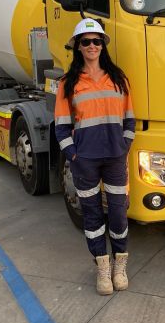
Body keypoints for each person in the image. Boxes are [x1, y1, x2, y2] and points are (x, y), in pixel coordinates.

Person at [54, 18, 135, 295]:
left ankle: (120, 266)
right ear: (77, 46)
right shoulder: (68, 83)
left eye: (96, 41)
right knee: (91, 216)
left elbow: (130, 119)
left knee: (118, 214)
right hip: (85, 162)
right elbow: (62, 126)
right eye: (86, 41)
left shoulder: (118, 79)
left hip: (114, 158)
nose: (92, 46)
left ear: (103, 45)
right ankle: (102, 269)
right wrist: (73, 155)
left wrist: (124, 146)